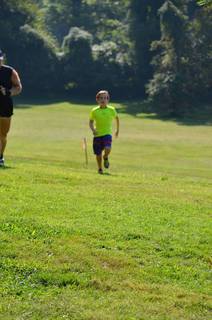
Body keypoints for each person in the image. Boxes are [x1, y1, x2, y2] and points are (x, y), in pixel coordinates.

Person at [0, 49, 22, 166]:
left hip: (5, 106)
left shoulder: (10, 71)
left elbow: (18, 87)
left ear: (2, 59)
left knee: (3, 134)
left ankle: (0, 157)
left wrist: (8, 92)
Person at [89, 90, 119, 174]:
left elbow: (117, 118)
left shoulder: (112, 110)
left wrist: (117, 130)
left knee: (107, 148)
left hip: (107, 133)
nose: (103, 100)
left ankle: (105, 157)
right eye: (101, 98)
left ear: (108, 100)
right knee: (98, 154)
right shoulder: (94, 111)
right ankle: (100, 169)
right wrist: (93, 130)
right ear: (97, 100)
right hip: (97, 135)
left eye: (105, 98)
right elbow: (91, 122)